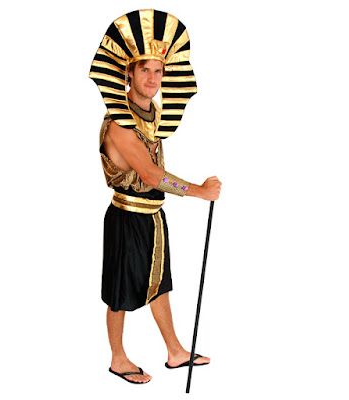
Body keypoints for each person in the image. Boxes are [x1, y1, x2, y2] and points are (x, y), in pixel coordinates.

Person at [90, 10, 222, 384]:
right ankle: (118, 359)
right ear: (128, 74)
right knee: (120, 292)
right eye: (144, 70)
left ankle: (175, 351)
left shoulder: (151, 114)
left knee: (159, 284)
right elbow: (149, 175)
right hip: (127, 216)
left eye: (158, 71)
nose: (152, 78)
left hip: (152, 216)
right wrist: (199, 191)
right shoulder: (119, 123)